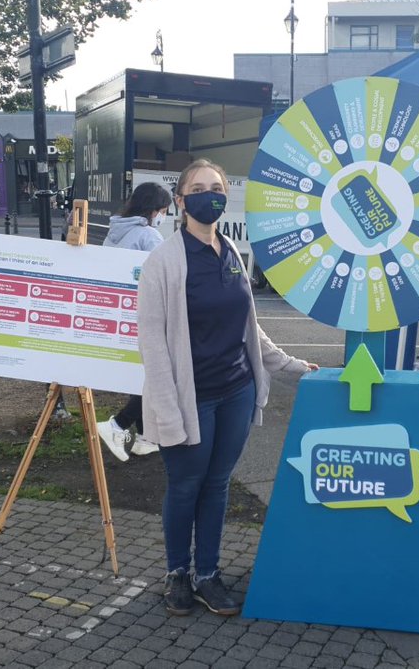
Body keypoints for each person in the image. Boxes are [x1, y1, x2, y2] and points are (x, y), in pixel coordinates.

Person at [137, 159, 317, 617]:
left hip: (236, 392)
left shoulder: (232, 251)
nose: (209, 196)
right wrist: (167, 414)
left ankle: (207, 574)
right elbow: (152, 346)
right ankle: (178, 573)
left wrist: (290, 365)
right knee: (185, 486)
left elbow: (248, 324)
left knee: (216, 486)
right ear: (180, 201)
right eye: (198, 189)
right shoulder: (163, 262)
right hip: (189, 399)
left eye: (216, 188)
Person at [94, 181, 174, 461]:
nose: (164, 216)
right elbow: (165, 276)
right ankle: (117, 425)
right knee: (154, 379)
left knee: (141, 377)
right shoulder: (148, 236)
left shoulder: (115, 232)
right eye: (164, 210)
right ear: (154, 209)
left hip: (119, 313)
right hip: (145, 314)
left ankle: (145, 437)